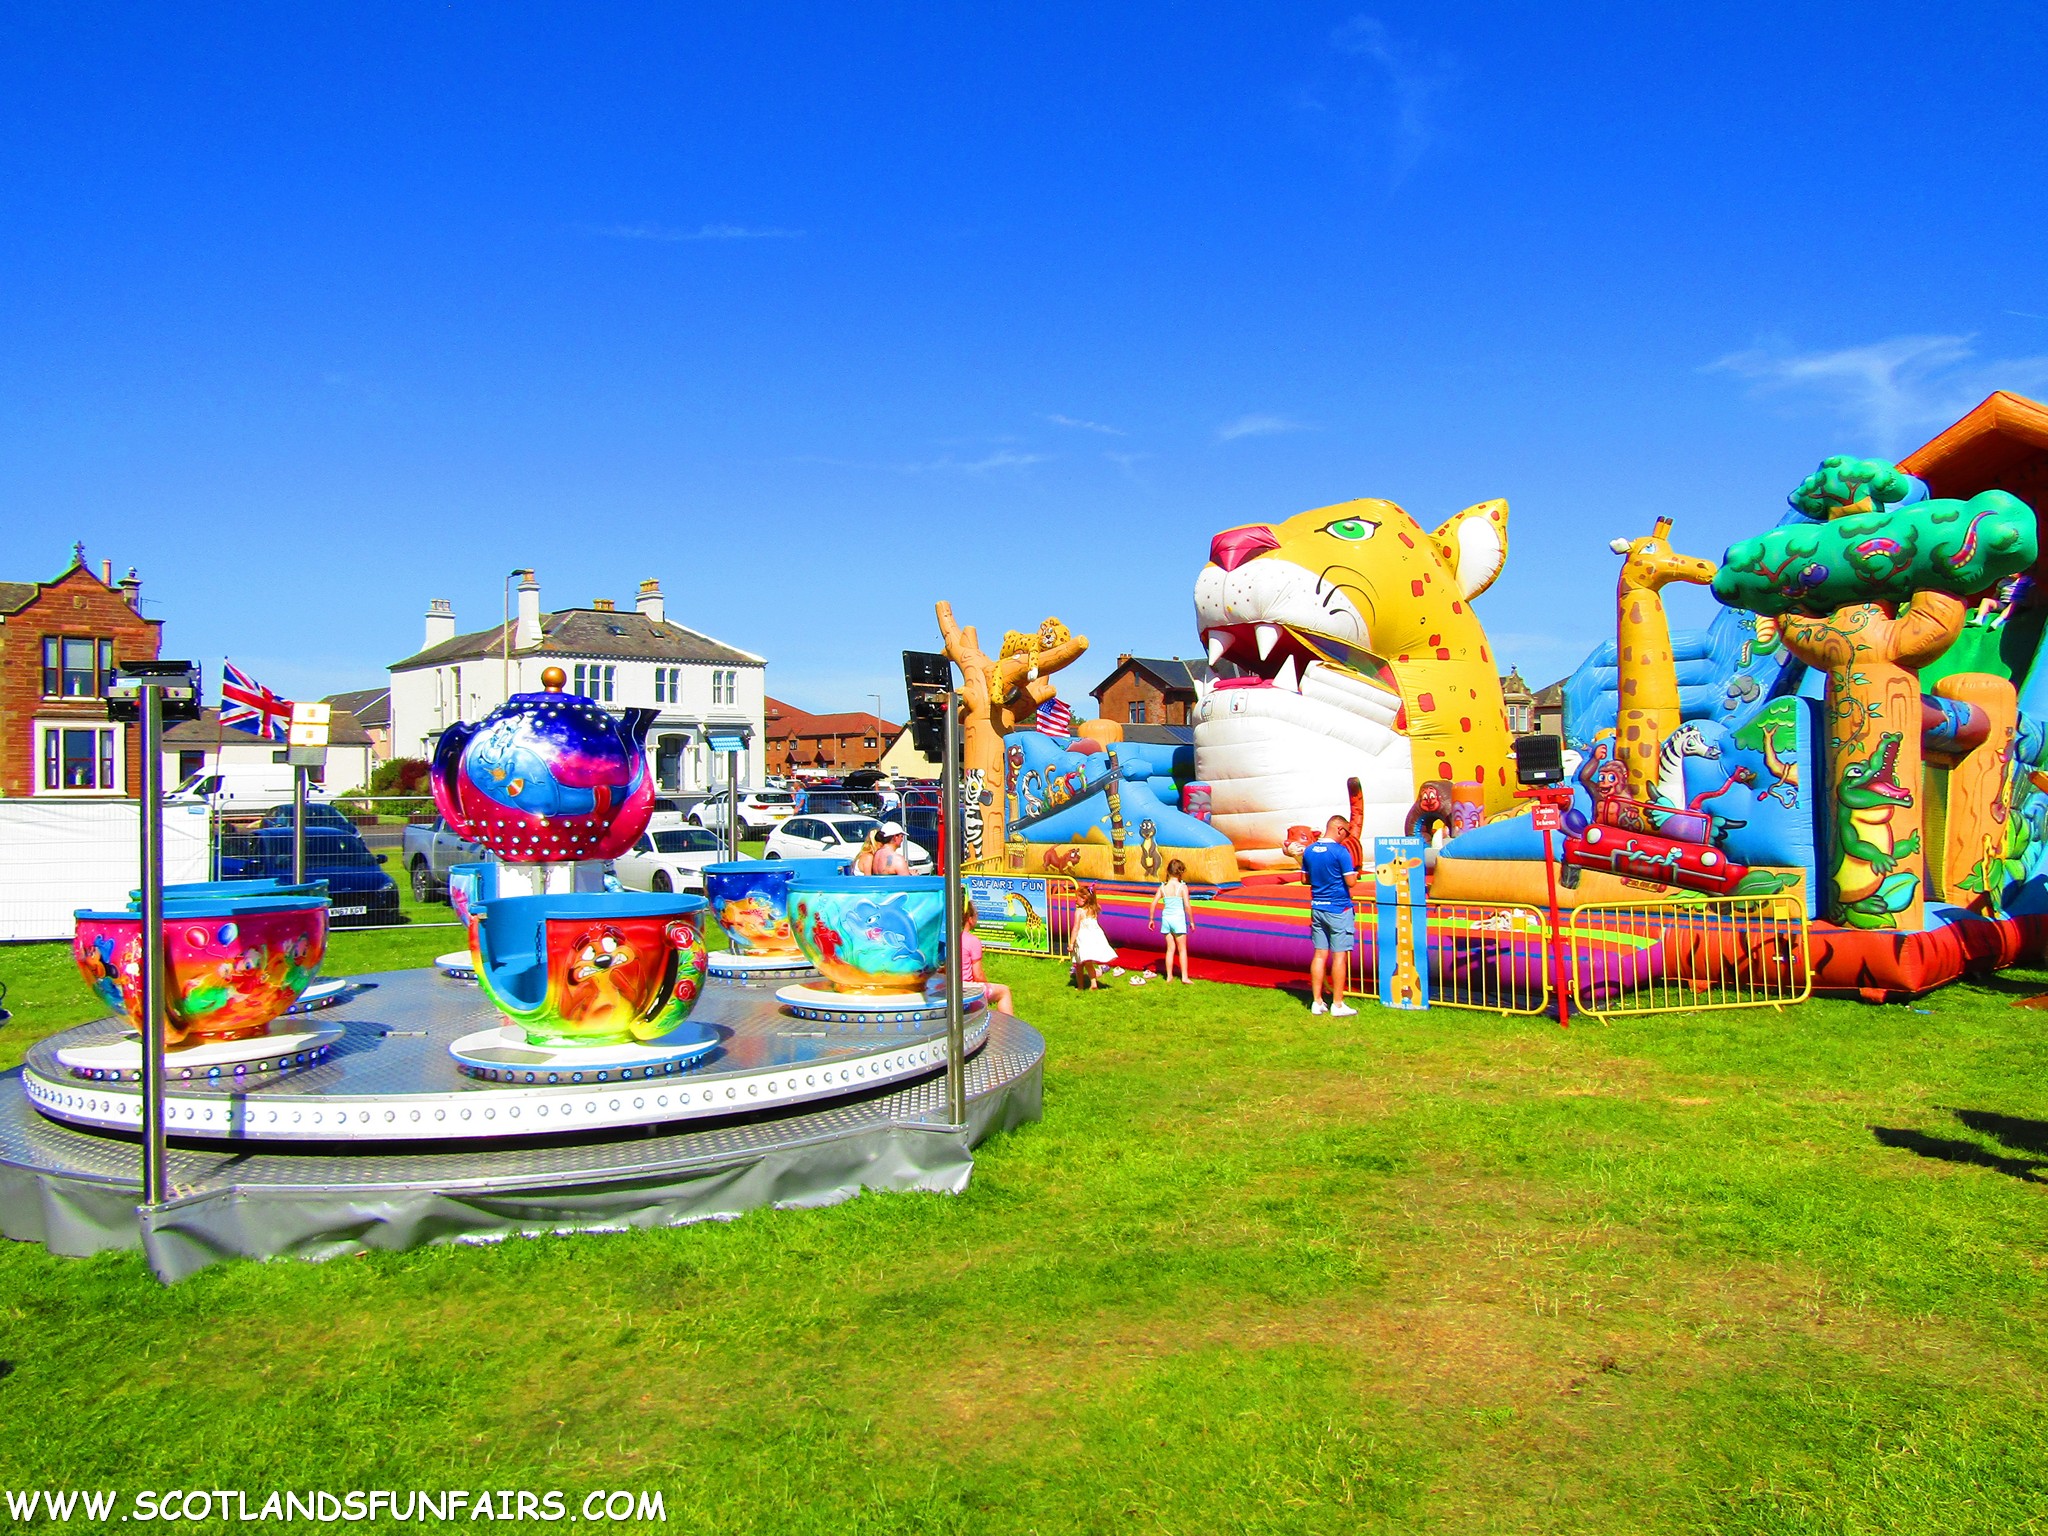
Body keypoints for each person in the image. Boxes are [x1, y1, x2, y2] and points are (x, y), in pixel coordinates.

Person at [1300, 814, 1362, 1016]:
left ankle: (1317, 1001)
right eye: (1346, 833)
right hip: (1338, 908)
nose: (1346, 838)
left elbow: (1304, 879)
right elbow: (1351, 882)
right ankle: (1337, 1003)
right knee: (1339, 957)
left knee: (1319, 955)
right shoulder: (1340, 851)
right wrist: (1354, 874)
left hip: (1317, 907)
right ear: (1340, 829)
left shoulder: (1309, 850)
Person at [1147, 859, 1195, 983]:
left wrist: (1151, 919)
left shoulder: (1163, 887)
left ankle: (1169, 976)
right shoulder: (1182, 887)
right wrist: (1191, 921)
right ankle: (1184, 977)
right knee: (1182, 949)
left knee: (1170, 948)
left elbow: (1153, 903)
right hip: (1178, 919)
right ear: (1181, 872)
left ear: (1168, 871)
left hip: (1166, 919)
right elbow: (1187, 906)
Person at [957, 926, 1014, 1015]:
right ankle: (1008, 1023)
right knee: (1004, 991)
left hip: (946, 987)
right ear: (970, 920)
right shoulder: (972, 940)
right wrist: (987, 987)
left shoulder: (945, 939)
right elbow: (978, 975)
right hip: (966, 989)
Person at [1070, 885, 1117, 989]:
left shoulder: (1079, 912)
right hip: (1092, 938)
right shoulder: (1094, 909)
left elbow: (1076, 927)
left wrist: (1071, 943)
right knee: (1088, 963)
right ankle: (1093, 983)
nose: (1075, 900)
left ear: (1084, 899)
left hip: (1082, 939)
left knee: (1079, 964)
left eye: (1077, 897)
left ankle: (1080, 987)